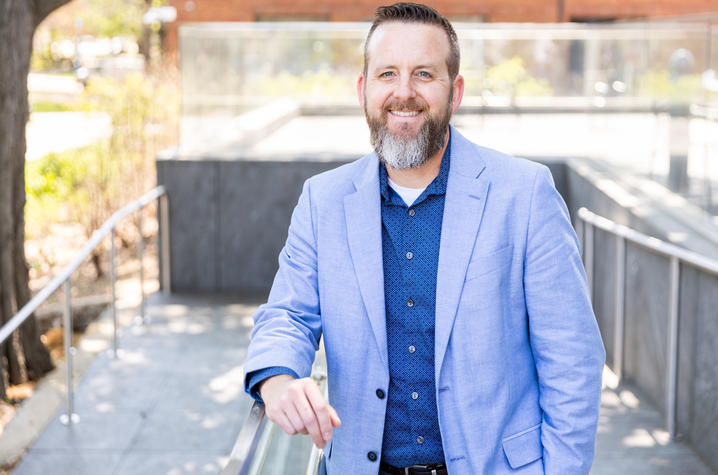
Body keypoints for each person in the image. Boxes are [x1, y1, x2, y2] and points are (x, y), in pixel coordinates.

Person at [243, 3, 605, 474]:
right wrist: (276, 380)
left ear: (454, 93)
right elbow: (286, 314)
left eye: (424, 74)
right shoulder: (322, 201)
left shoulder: (525, 194)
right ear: (363, 89)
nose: (403, 92)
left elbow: (572, 358)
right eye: (387, 73)